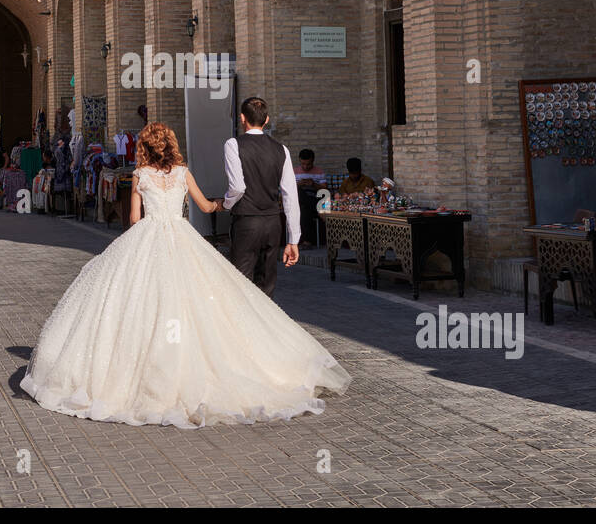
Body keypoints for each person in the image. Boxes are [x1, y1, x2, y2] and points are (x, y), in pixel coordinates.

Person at [22, 121, 350, 428]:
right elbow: (207, 207)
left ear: (145, 148)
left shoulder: (139, 175)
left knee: (139, 303)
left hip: (147, 237)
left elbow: (134, 219)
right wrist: (229, 203)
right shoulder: (182, 172)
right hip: (183, 238)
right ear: (171, 146)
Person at [223, 96, 301, 298]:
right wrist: (293, 239)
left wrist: (226, 203)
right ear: (266, 120)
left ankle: (243, 328)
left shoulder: (233, 144)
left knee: (241, 285)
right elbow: (290, 195)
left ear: (242, 118)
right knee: (266, 286)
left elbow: (238, 187)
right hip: (273, 223)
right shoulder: (281, 149)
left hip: (247, 221)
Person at [294, 148, 326, 249]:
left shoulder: (319, 171)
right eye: (303, 164)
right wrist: (298, 184)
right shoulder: (294, 172)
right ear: (299, 160)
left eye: (308, 164)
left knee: (305, 208)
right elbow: (288, 189)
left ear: (313, 161)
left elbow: (324, 190)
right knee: (300, 195)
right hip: (301, 200)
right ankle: (319, 211)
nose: (305, 166)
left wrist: (313, 184)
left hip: (314, 197)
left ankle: (307, 242)